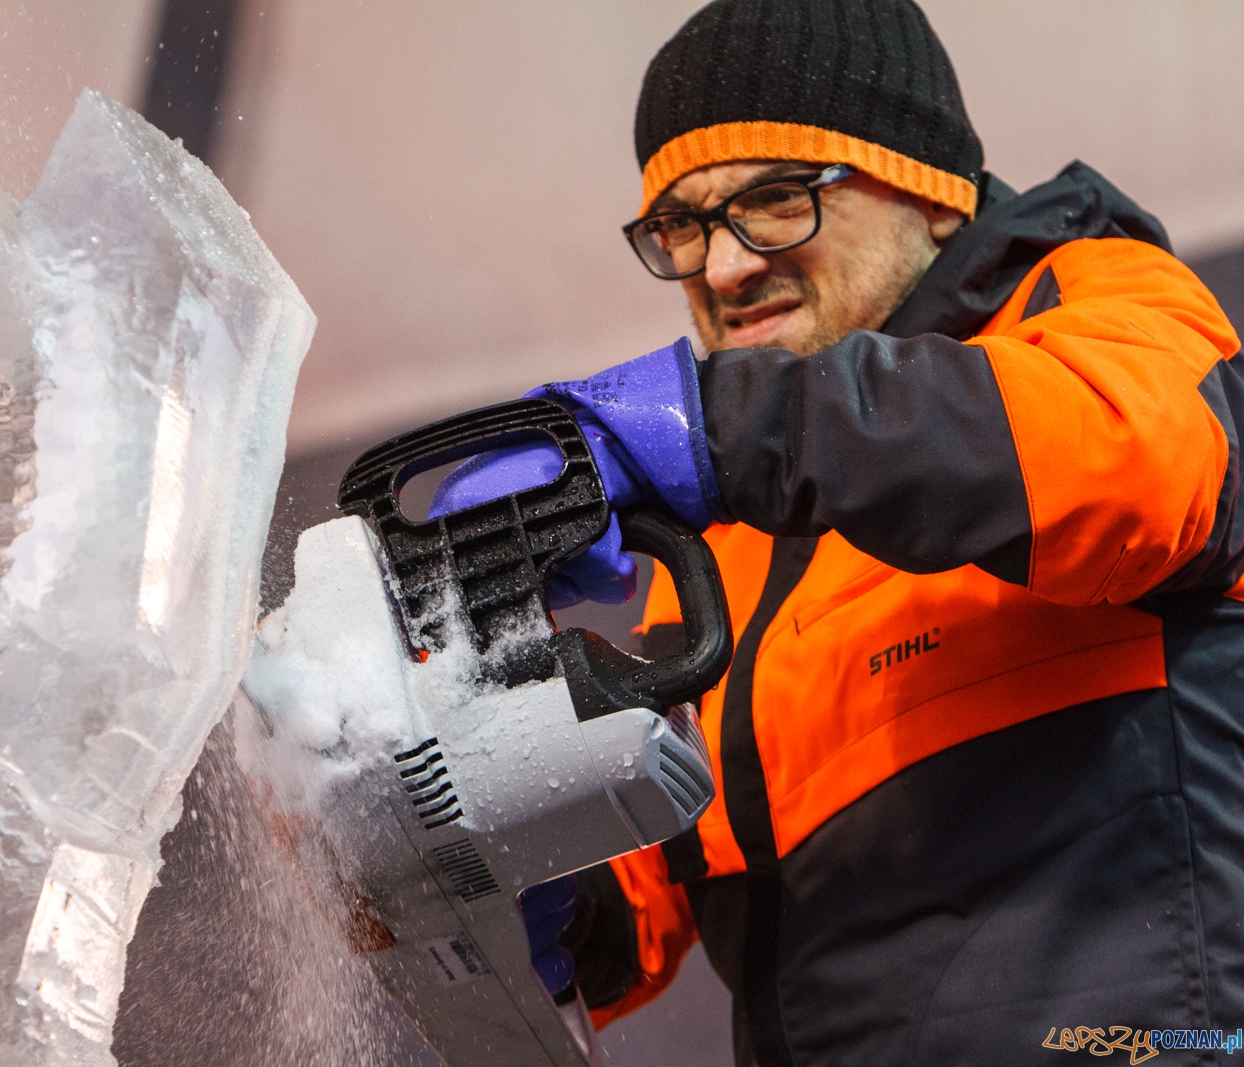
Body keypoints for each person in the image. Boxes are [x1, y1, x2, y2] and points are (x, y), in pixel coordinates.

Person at [432, 0, 1244, 1063]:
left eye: (773, 200)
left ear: (934, 194)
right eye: (680, 225)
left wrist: (712, 429)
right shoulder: (719, 546)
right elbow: (673, 867)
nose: (720, 269)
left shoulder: (1091, 300)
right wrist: (541, 886)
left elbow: (1136, 464)